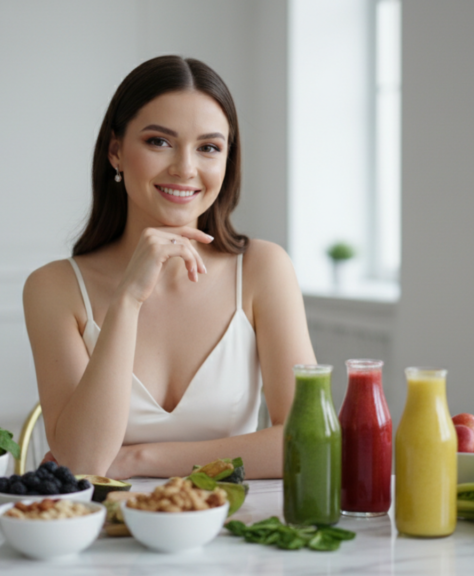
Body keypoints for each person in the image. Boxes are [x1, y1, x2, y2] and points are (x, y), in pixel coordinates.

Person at [22, 55, 315, 480]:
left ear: (228, 161)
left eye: (209, 147)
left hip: (234, 531)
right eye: (159, 141)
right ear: (116, 151)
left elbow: (306, 441)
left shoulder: (262, 270)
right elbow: (81, 463)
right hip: (105, 536)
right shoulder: (53, 288)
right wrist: (128, 300)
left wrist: (141, 459)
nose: (185, 168)